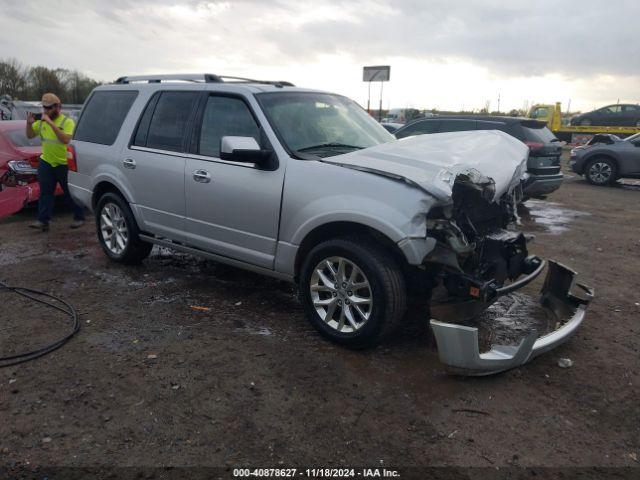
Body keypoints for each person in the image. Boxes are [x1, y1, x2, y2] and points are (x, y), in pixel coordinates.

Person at [26, 93, 84, 231]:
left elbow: (65, 139)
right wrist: (28, 124)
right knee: (45, 193)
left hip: (64, 164)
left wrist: (51, 123)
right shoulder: (41, 123)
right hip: (46, 162)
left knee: (70, 192)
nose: (46, 111)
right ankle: (43, 221)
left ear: (58, 107)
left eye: (49, 108)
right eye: (44, 108)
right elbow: (29, 135)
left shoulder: (67, 122)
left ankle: (79, 217)